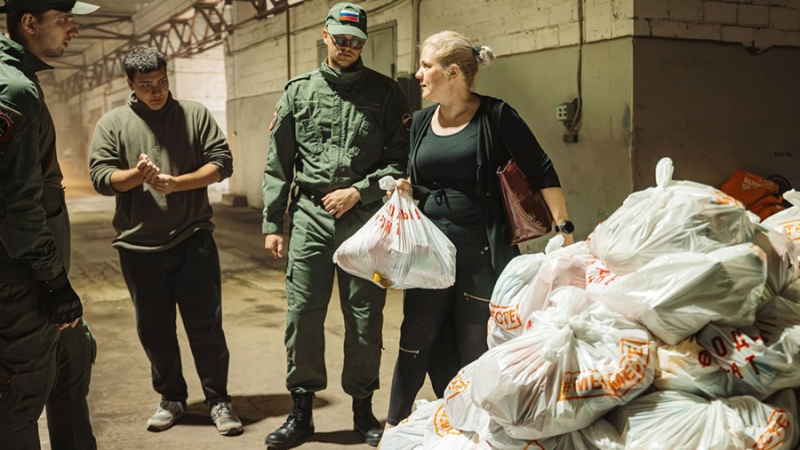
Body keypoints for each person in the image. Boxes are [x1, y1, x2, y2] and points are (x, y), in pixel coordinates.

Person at [382, 31, 574, 430]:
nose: (418, 74)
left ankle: (475, 432)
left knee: (475, 348)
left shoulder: (496, 116)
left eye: (426, 66)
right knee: (415, 343)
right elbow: (419, 180)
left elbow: (540, 168)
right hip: (429, 256)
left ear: (453, 72)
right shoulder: (419, 123)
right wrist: (404, 188)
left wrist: (564, 228)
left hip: (481, 256)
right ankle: (395, 428)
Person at [261, 2, 411, 448]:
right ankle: (301, 410)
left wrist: (360, 191)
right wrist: (274, 222)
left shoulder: (386, 95)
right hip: (309, 217)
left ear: (364, 43)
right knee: (303, 314)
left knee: (364, 317)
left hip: (365, 222)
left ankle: (363, 409)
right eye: (340, 38)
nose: (347, 47)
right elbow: (278, 164)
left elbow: (399, 160)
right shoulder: (297, 93)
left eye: (356, 41)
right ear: (325, 36)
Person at [88, 47, 243, 437]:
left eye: (161, 83)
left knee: (206, 326)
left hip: (192, 238)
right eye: (146, 86)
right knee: (154, 329)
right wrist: (137, 176)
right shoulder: (113, 123)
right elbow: (101, 177)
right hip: (138, 246)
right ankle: (171, 398)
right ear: (130, 84)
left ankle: (218, 400)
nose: (156, 92)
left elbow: (222, 162)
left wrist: (177, 183)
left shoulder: (194, 115)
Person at [0, 1, 99, 448]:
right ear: (28, 23)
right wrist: (53, 282)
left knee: (75, 357)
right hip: (24, 280)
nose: (72, 30)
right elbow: (17, 205)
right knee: (20, 397)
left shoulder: (20, 82)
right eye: (63, 20)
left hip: (38, 274)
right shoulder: (12, 91)